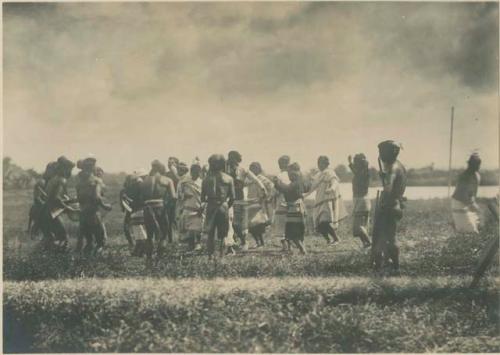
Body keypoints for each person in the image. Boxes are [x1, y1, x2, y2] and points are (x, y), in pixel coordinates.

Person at [372, 140, 407, 274]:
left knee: (389, 237)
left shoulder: (392, 167)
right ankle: (390, 264)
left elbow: (388, 188)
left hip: (390, 205)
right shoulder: (400, 166)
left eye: (382, 153)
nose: (380, 156)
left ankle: (394, 266)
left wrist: (383, 203)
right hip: (396, 204)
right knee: (389, 236)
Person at [226, 150, 267, 251]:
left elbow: (255, 180)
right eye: (229, 158)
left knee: (242, 224)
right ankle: (241, 241)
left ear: (237, 159)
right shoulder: (226, 169)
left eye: (233, 158)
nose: (231, 161)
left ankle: (244, 241)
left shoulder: (243, 170)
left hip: (242, 200)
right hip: (231, 200)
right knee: (233, 223)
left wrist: (263, 189)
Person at [305, 156, 347, 245]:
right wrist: (304, 195)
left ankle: (336, 239)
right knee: (318, 223)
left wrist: (332, 188)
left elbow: (335, 181)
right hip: (319, 201)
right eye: (318, 163)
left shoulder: (330, 172)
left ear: (325, 163)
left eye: (320, 163)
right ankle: (328, 240)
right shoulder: (319, 174)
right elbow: (312, 187)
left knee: (324, 221)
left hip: (326, 200)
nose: (319, 165)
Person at [141, 160, 176, 267]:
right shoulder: (166, 180)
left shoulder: (144, 180)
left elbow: (141, 197)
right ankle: (159, 259)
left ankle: (148, 259)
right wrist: (168, 206)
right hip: (160, 207)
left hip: (147, 207)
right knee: (164, 235)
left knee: (149, 235)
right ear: (161, 168)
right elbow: (174, 197)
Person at [76, 157, 112, 257]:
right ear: (92, 168)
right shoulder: (96, 181)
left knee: (89, 242)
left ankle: (84, 264)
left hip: (83, 214)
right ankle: (97, 263)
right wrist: (105, 206)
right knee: (100, 242)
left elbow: (79, 198)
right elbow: (97, 197)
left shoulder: (79, 183)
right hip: (94, 215)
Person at [201, 154, 235, 258]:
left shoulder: (206, 179)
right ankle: (221, 256)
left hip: (211, 205)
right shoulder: (228, 178)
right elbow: (233, 197)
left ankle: (210, 256)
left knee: (210, 233)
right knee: (223, 234)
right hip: (223, 205)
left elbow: (202, 197)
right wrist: (226, 206)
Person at [40, 156, 76, 251]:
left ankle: (44, 258)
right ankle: (62, 262)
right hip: (51, 214)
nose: (70, 173)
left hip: (45, 213)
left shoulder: (54, 179)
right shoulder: (61, 180)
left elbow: (51, 198)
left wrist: (71, 201)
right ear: (64, 169)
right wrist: (70, 209)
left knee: (51, 239)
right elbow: (56, 199)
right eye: (70, 170)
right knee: (64, 239)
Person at [273, 162, 310, 255]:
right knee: (298, 231)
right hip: (298, 208)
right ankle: (302, 249)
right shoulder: (300, 182)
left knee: (292, 232)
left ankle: (302, 250)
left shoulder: (295, 184)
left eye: (290, 174)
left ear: (294, 174)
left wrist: (277, 183)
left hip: (294, 209)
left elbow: (286, 190)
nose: (289, 176)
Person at [451, 153, 482, 234]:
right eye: (474, 164)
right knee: (472, 232)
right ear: (470, 164)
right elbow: (462, 195)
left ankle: (460, 225)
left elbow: (472, 194)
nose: (477, 166)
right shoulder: (464, 176)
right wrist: (472, 204)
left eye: (478, 164)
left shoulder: (477, 176)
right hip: (459, 203)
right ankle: (459, 225)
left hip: (468, 204)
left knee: (477, 228)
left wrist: (474, 205)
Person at [247, 162, 274, 247]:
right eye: (251, 169)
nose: (252, 170)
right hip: (251, 203)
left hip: (260, 204)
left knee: (258, 224)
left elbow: (271, 187)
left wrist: (266, 197)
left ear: (258, 169)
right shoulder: (250, 179)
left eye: (254, 168)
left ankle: (261, 242)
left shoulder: (263, 179)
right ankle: (258, 242)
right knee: (251, 225)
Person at [178, 163, 204, 251]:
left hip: (199, 207)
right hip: (188, 207)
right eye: (194, 172)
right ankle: (190, 244)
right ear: (191, 171)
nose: (195, 174)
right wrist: (184, 195)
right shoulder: (184, 182)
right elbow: (179, 194)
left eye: (197, 172)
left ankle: (198, 243)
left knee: (198, 228)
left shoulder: (202, 182)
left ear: (200, 172)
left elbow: (205, 196)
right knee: (189, 228)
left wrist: (203, 206)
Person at [27, 161, 57, 239]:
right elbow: (37, 198)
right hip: (39, 210)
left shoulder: (50, 182)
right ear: (48, 170)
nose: (55, 173)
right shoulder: (41, 182)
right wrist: (46, 205)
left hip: (44, 209)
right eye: (53, 170)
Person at [348, 154, 372, 248]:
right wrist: (350, 163)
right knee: (358, 228)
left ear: (359, 163)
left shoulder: (363, 173)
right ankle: (366, 244)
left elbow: (356, 172)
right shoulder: (363, 171)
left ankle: (369, 243)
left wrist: (350, 163)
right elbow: (355, 171)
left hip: (361, 201)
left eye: (355, 162)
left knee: (358, 227)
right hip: (361, 200)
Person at [273, 155, 291, 251]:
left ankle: (285, 246)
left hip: (281, 201)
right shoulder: (292, 175)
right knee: (289, 224)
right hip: (291, 202)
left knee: (281, 225)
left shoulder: (279, 176)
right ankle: (290, 246)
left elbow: (275, 190)